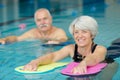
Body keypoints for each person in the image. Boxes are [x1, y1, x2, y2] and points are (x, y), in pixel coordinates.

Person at [23, 16, 107, 74]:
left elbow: (95, 58)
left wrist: (83, 63)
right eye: (76, 32)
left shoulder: (100, 49)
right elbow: (53, 57)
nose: (79, 36)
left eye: (84, 32)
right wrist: (35, 62)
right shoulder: (70, 49)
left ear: (92, 34)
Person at [0, 8, 68, 44]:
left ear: (51, 19)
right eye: (39, 20)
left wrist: (58, 42)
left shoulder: (58, 32)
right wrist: (5, 39)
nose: (42, 22)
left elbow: (63, 40)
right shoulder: (33, 33)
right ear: (36, 22)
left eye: (45, 19)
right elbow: (17, 38)